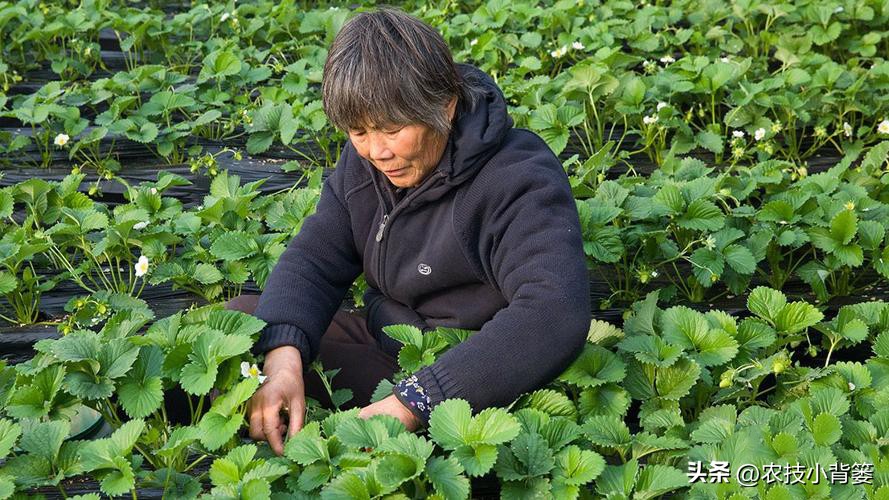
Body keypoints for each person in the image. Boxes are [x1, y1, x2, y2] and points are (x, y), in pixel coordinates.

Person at [228, 8, 591, 456]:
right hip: (392, 342)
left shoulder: (516, 179)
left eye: (393, 129)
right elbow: (315, 259)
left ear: (445, 104)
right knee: (241, 332)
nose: (377, 151)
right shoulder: (366, 163)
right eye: (358, 131)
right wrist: (283, 357)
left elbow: (555, 311)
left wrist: (411, 404)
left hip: (472, 374)